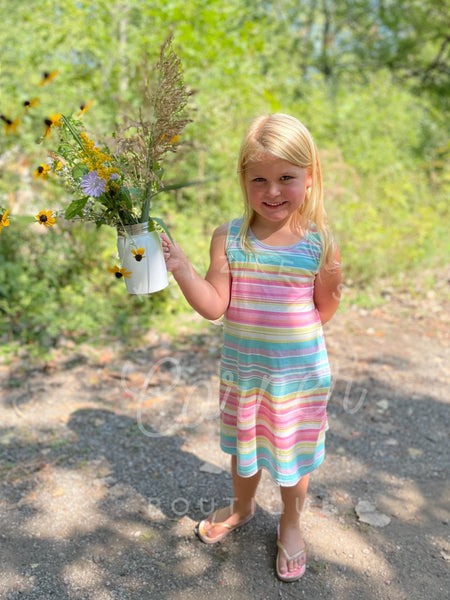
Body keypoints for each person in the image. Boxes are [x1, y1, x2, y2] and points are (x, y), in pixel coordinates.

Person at [160, 113, 342, 582]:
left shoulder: (319, 244)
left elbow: (325, 308)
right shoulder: (230, 238)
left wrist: (288, 338)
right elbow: (214, 305)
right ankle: (242, 508)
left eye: (286, 177)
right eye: (259, 178)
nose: (273, 190)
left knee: (294, 456)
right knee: (246, 450)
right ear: (242, 179)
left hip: (298, 376)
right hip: (245, 374)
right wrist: (180, 266)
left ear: (309, 176)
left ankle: (291, 521)